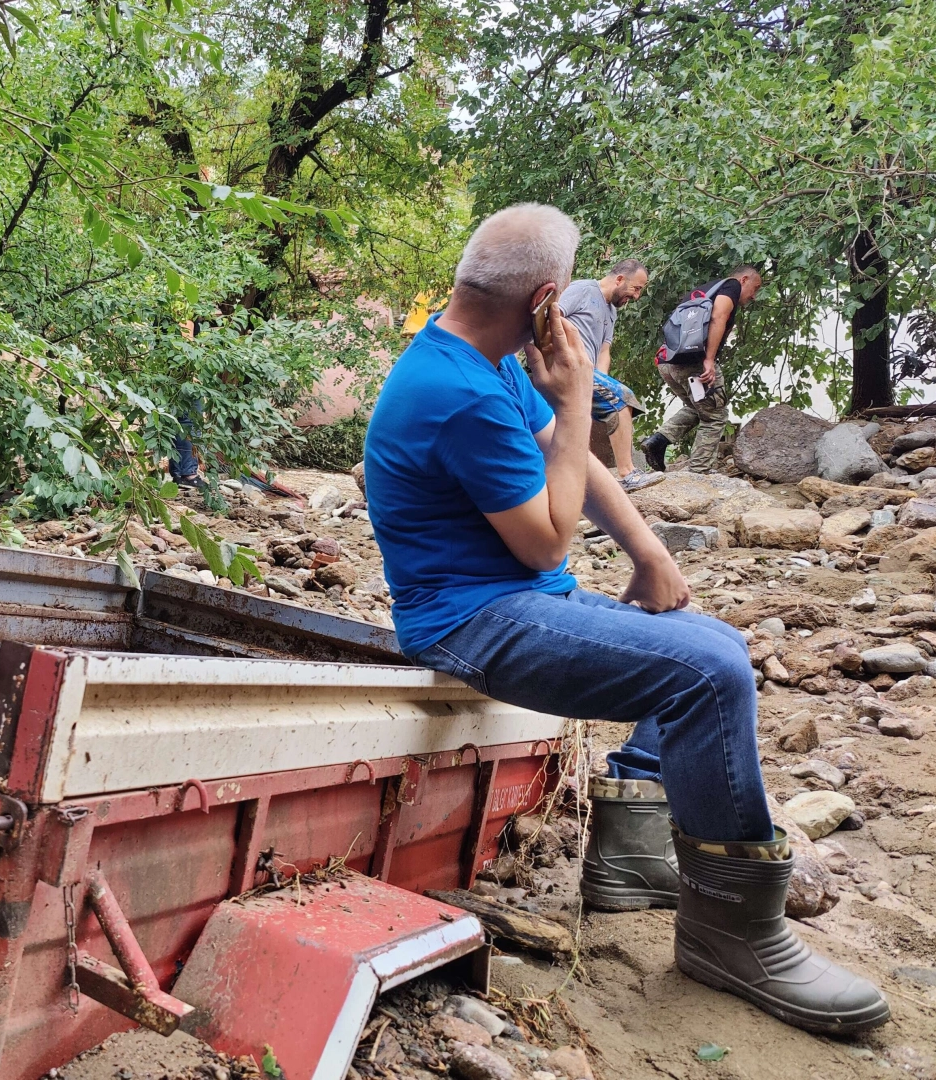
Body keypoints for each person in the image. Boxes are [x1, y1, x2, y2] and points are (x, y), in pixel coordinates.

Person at [363, 205, 887, 1035]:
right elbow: (542, 542)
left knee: (714, 641)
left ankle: (631, 855)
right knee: (703, 674)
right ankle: (732, 934)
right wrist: (577, 406)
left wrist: (649, 554)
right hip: (470, 620)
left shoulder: (480, 351)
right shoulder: (454, 390)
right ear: (542, 298)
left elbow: (575, 477)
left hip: (525, 601)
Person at [640, 267, 763, 474]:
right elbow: (718, 317)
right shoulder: (730, 286)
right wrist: (709, 360)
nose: (754, 296)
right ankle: (700, 471)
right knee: (715, 416)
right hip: (694, 363)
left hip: (668, 362)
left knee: (696, 408)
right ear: (744, 279)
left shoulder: (704, 291)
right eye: (755, 288)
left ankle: (658, 441)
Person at [558, 261, 661, 492]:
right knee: (622, 396)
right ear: (619, 279)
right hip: (564, 368)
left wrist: (601, 382)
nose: (636, 296)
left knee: (613, 396)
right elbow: (552, 317)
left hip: (587, 374)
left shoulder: (611, 311)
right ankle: (627, 474)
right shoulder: (583, 289)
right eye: (636, 289)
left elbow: (604, 351)